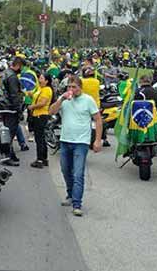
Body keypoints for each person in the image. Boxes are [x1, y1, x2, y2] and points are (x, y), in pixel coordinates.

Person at [48, 75, 101, 216]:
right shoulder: (64, 100)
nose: (71, 89)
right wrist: (61, 99)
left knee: (78, 173)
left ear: (80, 87)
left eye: (74, 87)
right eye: (69, 87)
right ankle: (70, 195)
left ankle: (77, 203)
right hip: (65, 140)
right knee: (65, 170)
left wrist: (97, 140)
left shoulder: (88, 100)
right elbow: (51, 111)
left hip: (81, 142)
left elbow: (98, 119)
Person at [133, 75, 157, 178]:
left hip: (140, 122)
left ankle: (131, 150)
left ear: (141, 81)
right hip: (154, 122)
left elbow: (133, 106)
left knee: (132, 135)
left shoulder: (138, 92)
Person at [0, 57, 25, 166]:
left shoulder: (4, 73)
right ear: (18, 65)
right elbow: (14, 95)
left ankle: (11, 154)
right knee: (10, 133)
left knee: (8, 131)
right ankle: (7, 156)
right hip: (11, 108)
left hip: (4, 107)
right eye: (21, 67)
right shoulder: (12, 77)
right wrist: (19, 110)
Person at [28, 72, 53, 168]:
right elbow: (36, 98)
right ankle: (44, 158)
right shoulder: (40, 88)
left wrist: (32, 106)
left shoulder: (47, 90)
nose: (39, 80)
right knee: (41, 138)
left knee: (39, 139)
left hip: (41, 115)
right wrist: (31, 95)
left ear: (47, 81)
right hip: (37, 115)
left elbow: (42, 103)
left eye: (42, 78)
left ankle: (39, 160)